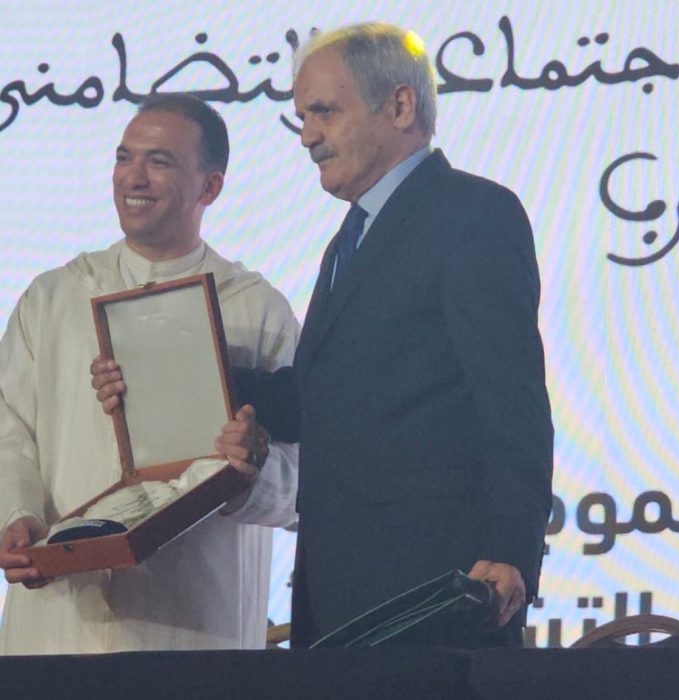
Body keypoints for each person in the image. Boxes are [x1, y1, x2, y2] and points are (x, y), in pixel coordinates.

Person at [96, 22, 553, 649]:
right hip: (341, 593)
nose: (307, 135)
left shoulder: (472, 214)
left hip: (436, 593)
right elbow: (319, 398)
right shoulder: (351, 237)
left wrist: (510, 552)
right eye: (302, 116)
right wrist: (163, 373)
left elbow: (513, 402)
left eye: (324, 112)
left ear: (400, 105)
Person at [0, 94, 299, 654]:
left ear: (211, 186)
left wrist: (248, 470)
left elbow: (306, 480)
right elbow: (8, 428)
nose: (133, 177)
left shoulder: (254, 309)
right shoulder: (55, 298)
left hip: (192, 627)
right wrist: (16, 516)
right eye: (124, 157)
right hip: (59, 626)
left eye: (159, 161)